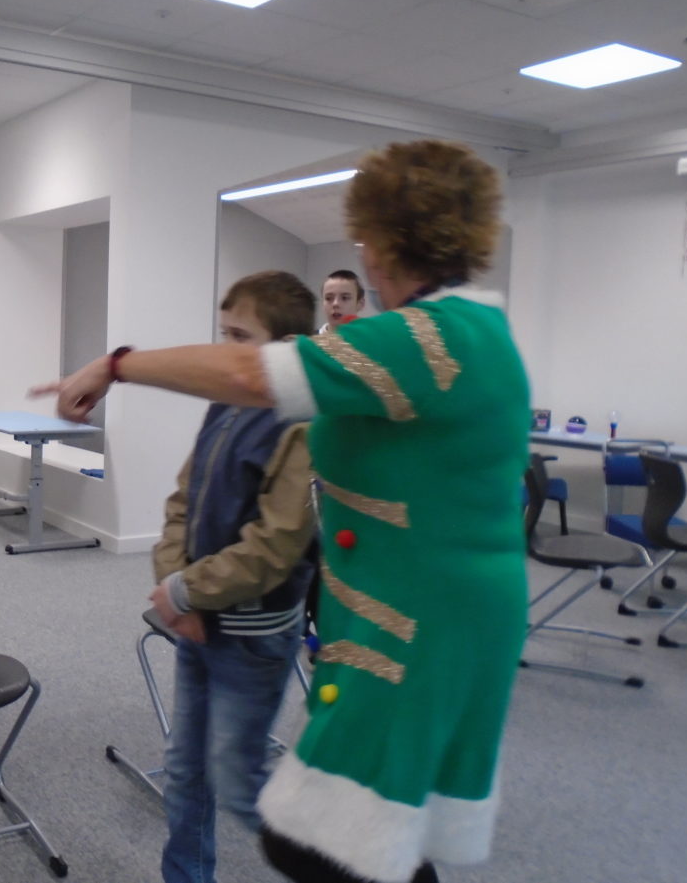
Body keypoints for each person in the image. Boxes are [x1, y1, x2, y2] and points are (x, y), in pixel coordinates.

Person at [36, 140, 529, 883]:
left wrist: (115, 364)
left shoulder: (429, 338)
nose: (361, 255)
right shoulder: (463, 331)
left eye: (363, 238)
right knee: (371, 835)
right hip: (420, 607)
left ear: (383, 241)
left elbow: (249, 375)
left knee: (324, 838)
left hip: (421, 621)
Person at [152, 270, 319, 883]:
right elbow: (183, 499)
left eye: (240, 337)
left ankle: (344, 864)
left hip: (252, 636)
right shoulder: (225, 402)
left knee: (239, 781)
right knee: (185, 770)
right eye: (223, 333)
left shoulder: (303, 423)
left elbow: (275, 546)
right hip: (198, 621)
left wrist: (186, 590)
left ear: (286, 349)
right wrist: (178, 587)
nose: (225, 350)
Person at [318, 269, 366, 334]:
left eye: (344, 298)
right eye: (329, 298)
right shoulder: (309, 339)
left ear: (360, 304)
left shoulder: (369, 339)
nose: (335, 304)